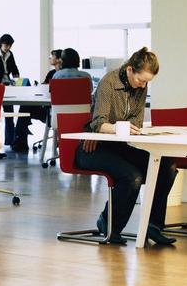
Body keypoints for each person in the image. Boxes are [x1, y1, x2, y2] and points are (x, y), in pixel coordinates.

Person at [75, 47, 177, 246]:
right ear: (130, 70)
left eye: (147, 82)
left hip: (120, 146)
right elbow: (99, 122)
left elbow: (136, 122)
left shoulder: (140, 86)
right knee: (133, 177)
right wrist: (115, 128)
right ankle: (108, 224)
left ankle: (153, 227)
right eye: (141, 80)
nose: (143, 85)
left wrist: (122, 128)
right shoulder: (108, 83)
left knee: (167, 168)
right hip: (93, 148)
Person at [0, 33, 32, 153]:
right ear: (1, 43)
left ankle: (11, 141)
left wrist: (16, 77)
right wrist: (2, 82)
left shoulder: (10, 54)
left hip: (7, 86)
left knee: (9, 114)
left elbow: (14, 68)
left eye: (10, 45)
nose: (8, 48)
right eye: (6, 45)